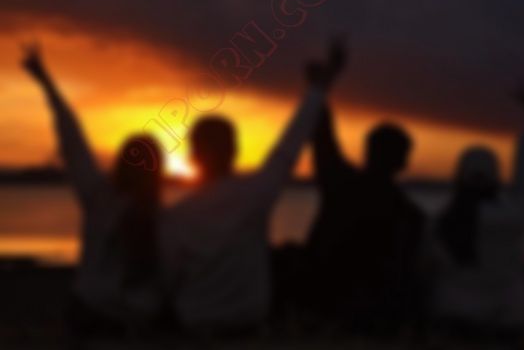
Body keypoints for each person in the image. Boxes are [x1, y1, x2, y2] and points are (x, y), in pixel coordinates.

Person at [160, 45, 343, 335]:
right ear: (234, 150)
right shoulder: (255, 193)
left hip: (194, 325)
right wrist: (318, 89)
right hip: (244, 327)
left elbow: (167, 277)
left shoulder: (177, 216)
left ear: (193, 157)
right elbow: (288, 148)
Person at [22, 44, 163, 335]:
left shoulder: (104, 199)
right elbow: (72, 138)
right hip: (103, 316)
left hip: (93, 313)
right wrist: (45, 81)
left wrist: (45, 80)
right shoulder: (108, 200)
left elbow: (72, 139)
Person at [304, 60, 425, 332]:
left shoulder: (339, 181)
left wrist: (319, 88)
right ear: (403, 163)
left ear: (368, 152)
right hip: (374, 314)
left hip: (325, 303)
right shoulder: (409, 215)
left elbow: (323, 139)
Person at [428, 90, 524, 338]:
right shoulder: (515, 216)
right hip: (507, 320)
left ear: (458, 178)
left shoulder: (440, 223)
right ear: (495, 178)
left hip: (454, 317)